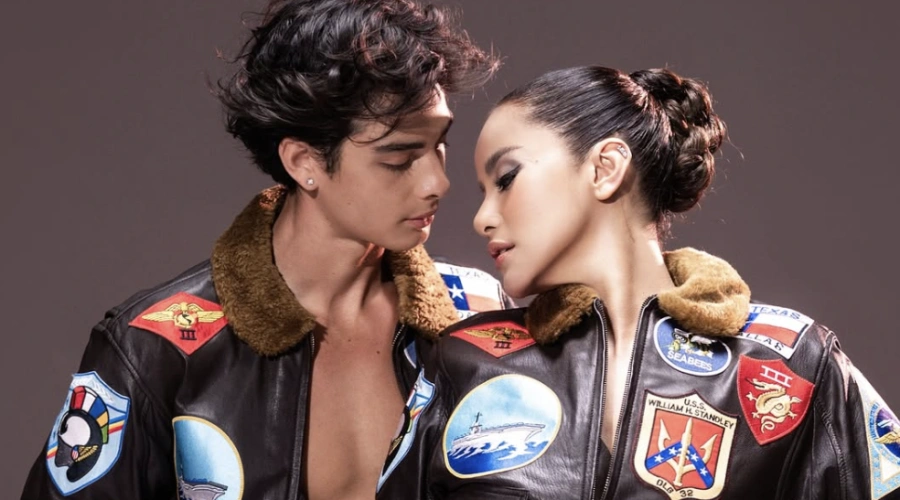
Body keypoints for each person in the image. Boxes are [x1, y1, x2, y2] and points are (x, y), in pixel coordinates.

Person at [20, 1, 510, 499]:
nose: (437, 182)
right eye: (400, 157)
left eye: (439, 144)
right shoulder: (153, 347)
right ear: (303, 162)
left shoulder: (478, 312)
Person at [376, 66, 900, 500]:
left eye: (506, 178)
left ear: (605, 167)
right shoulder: (464, 359)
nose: (482, 218)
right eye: (484, 191)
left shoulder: (789, 361)